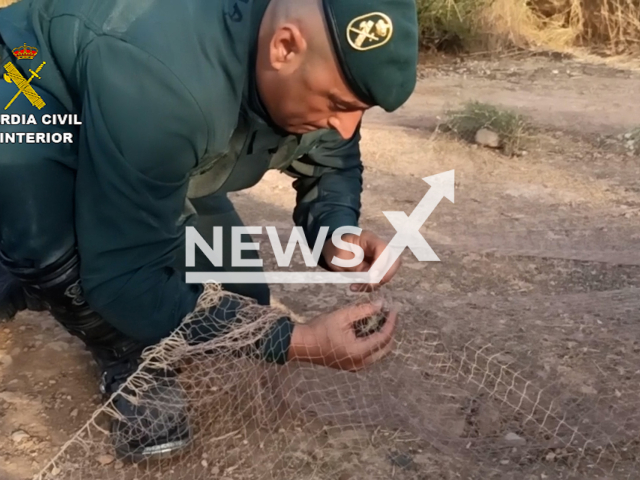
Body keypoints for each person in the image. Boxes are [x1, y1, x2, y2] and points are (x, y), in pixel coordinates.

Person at [0, 0, 418, 461]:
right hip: (29, 77)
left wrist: (336, 231)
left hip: (143, 123)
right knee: (55, 250)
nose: (347, 125)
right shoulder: (169, 84)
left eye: (359, 108)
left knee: (239, 294)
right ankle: (121, 349)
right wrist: (295, 342)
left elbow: (334, 160)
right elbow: (124, 280)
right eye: (339, 105)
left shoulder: (321, 70)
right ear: (284, 48)